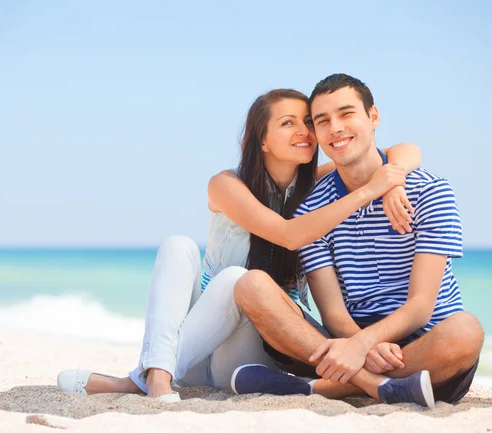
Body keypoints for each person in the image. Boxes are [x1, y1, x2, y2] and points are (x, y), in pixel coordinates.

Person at [56, 88, 421, 403]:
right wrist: (371, 190)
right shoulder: (226, 185)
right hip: (198, 345)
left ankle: (136, 380)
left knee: (238, 279)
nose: (305, 131)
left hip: (248, 354)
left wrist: (394, 181)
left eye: (308, 122)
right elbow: (289, 234)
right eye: (288, 123)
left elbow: (404, 150)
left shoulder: (316, 184)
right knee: (179, 246)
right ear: (262, 139)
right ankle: (156, 376)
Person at [232, 74, 484, 408]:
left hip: (426, 350)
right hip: (347, 340)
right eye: (322, 121)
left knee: (466, 331)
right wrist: (359, 343)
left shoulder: (429, 191)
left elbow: (421, 307)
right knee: (251, 285)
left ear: (373, 117)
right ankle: (379, 387)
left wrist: (364, 345)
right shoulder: (313, 209)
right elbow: (334, 314)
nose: (335, 128)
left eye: (347, 114)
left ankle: (325, 388)